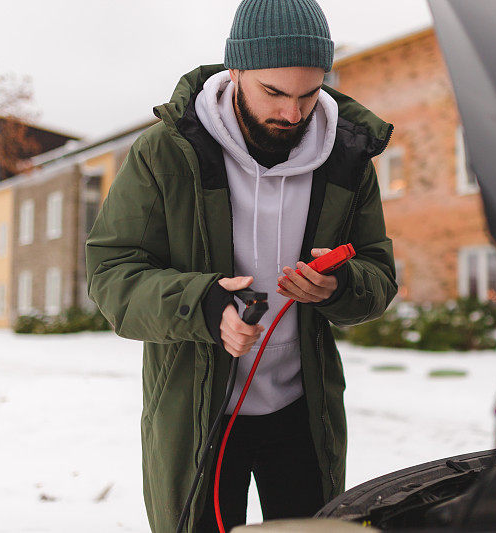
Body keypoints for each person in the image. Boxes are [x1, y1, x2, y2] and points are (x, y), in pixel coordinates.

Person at [85, 0, 397, 531]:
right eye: (273, 92)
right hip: (197, 413)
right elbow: (112, 274)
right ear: (236, 72)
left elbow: (379, 273)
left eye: (308, 94)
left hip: (304, 412)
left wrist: (337, 285)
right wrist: (205, 306)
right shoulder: (165, 152)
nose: (292, 113)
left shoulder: (347, 156)